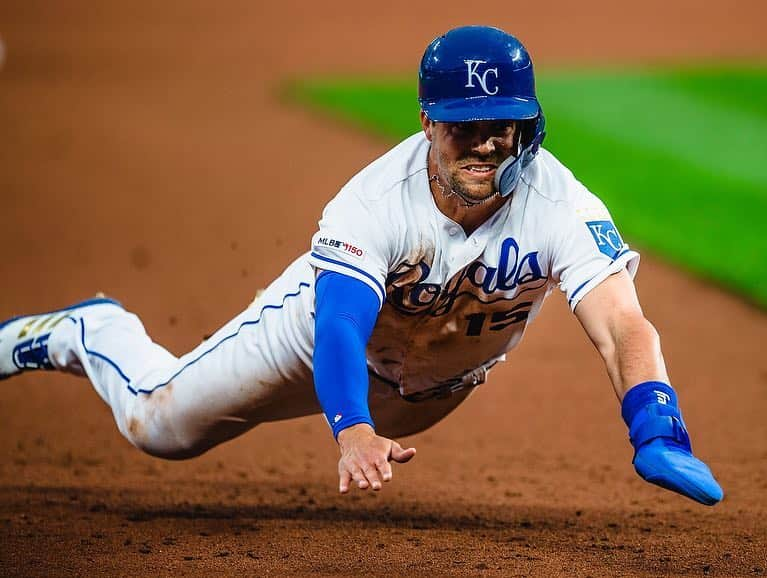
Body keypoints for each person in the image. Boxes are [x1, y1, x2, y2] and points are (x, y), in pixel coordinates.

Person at [0, 25, 722, 505]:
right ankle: (87, 331)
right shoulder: (373, 203)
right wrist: (349, 429)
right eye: (463, 129)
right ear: (426, 123)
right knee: (163, 430)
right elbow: (339, 325)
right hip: (313, 338)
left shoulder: (560, 205)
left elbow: (621, 324)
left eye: (499, 127)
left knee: (397, 409)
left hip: (425, 392)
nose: (483, 146)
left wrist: (655, 424)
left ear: (524, 126)